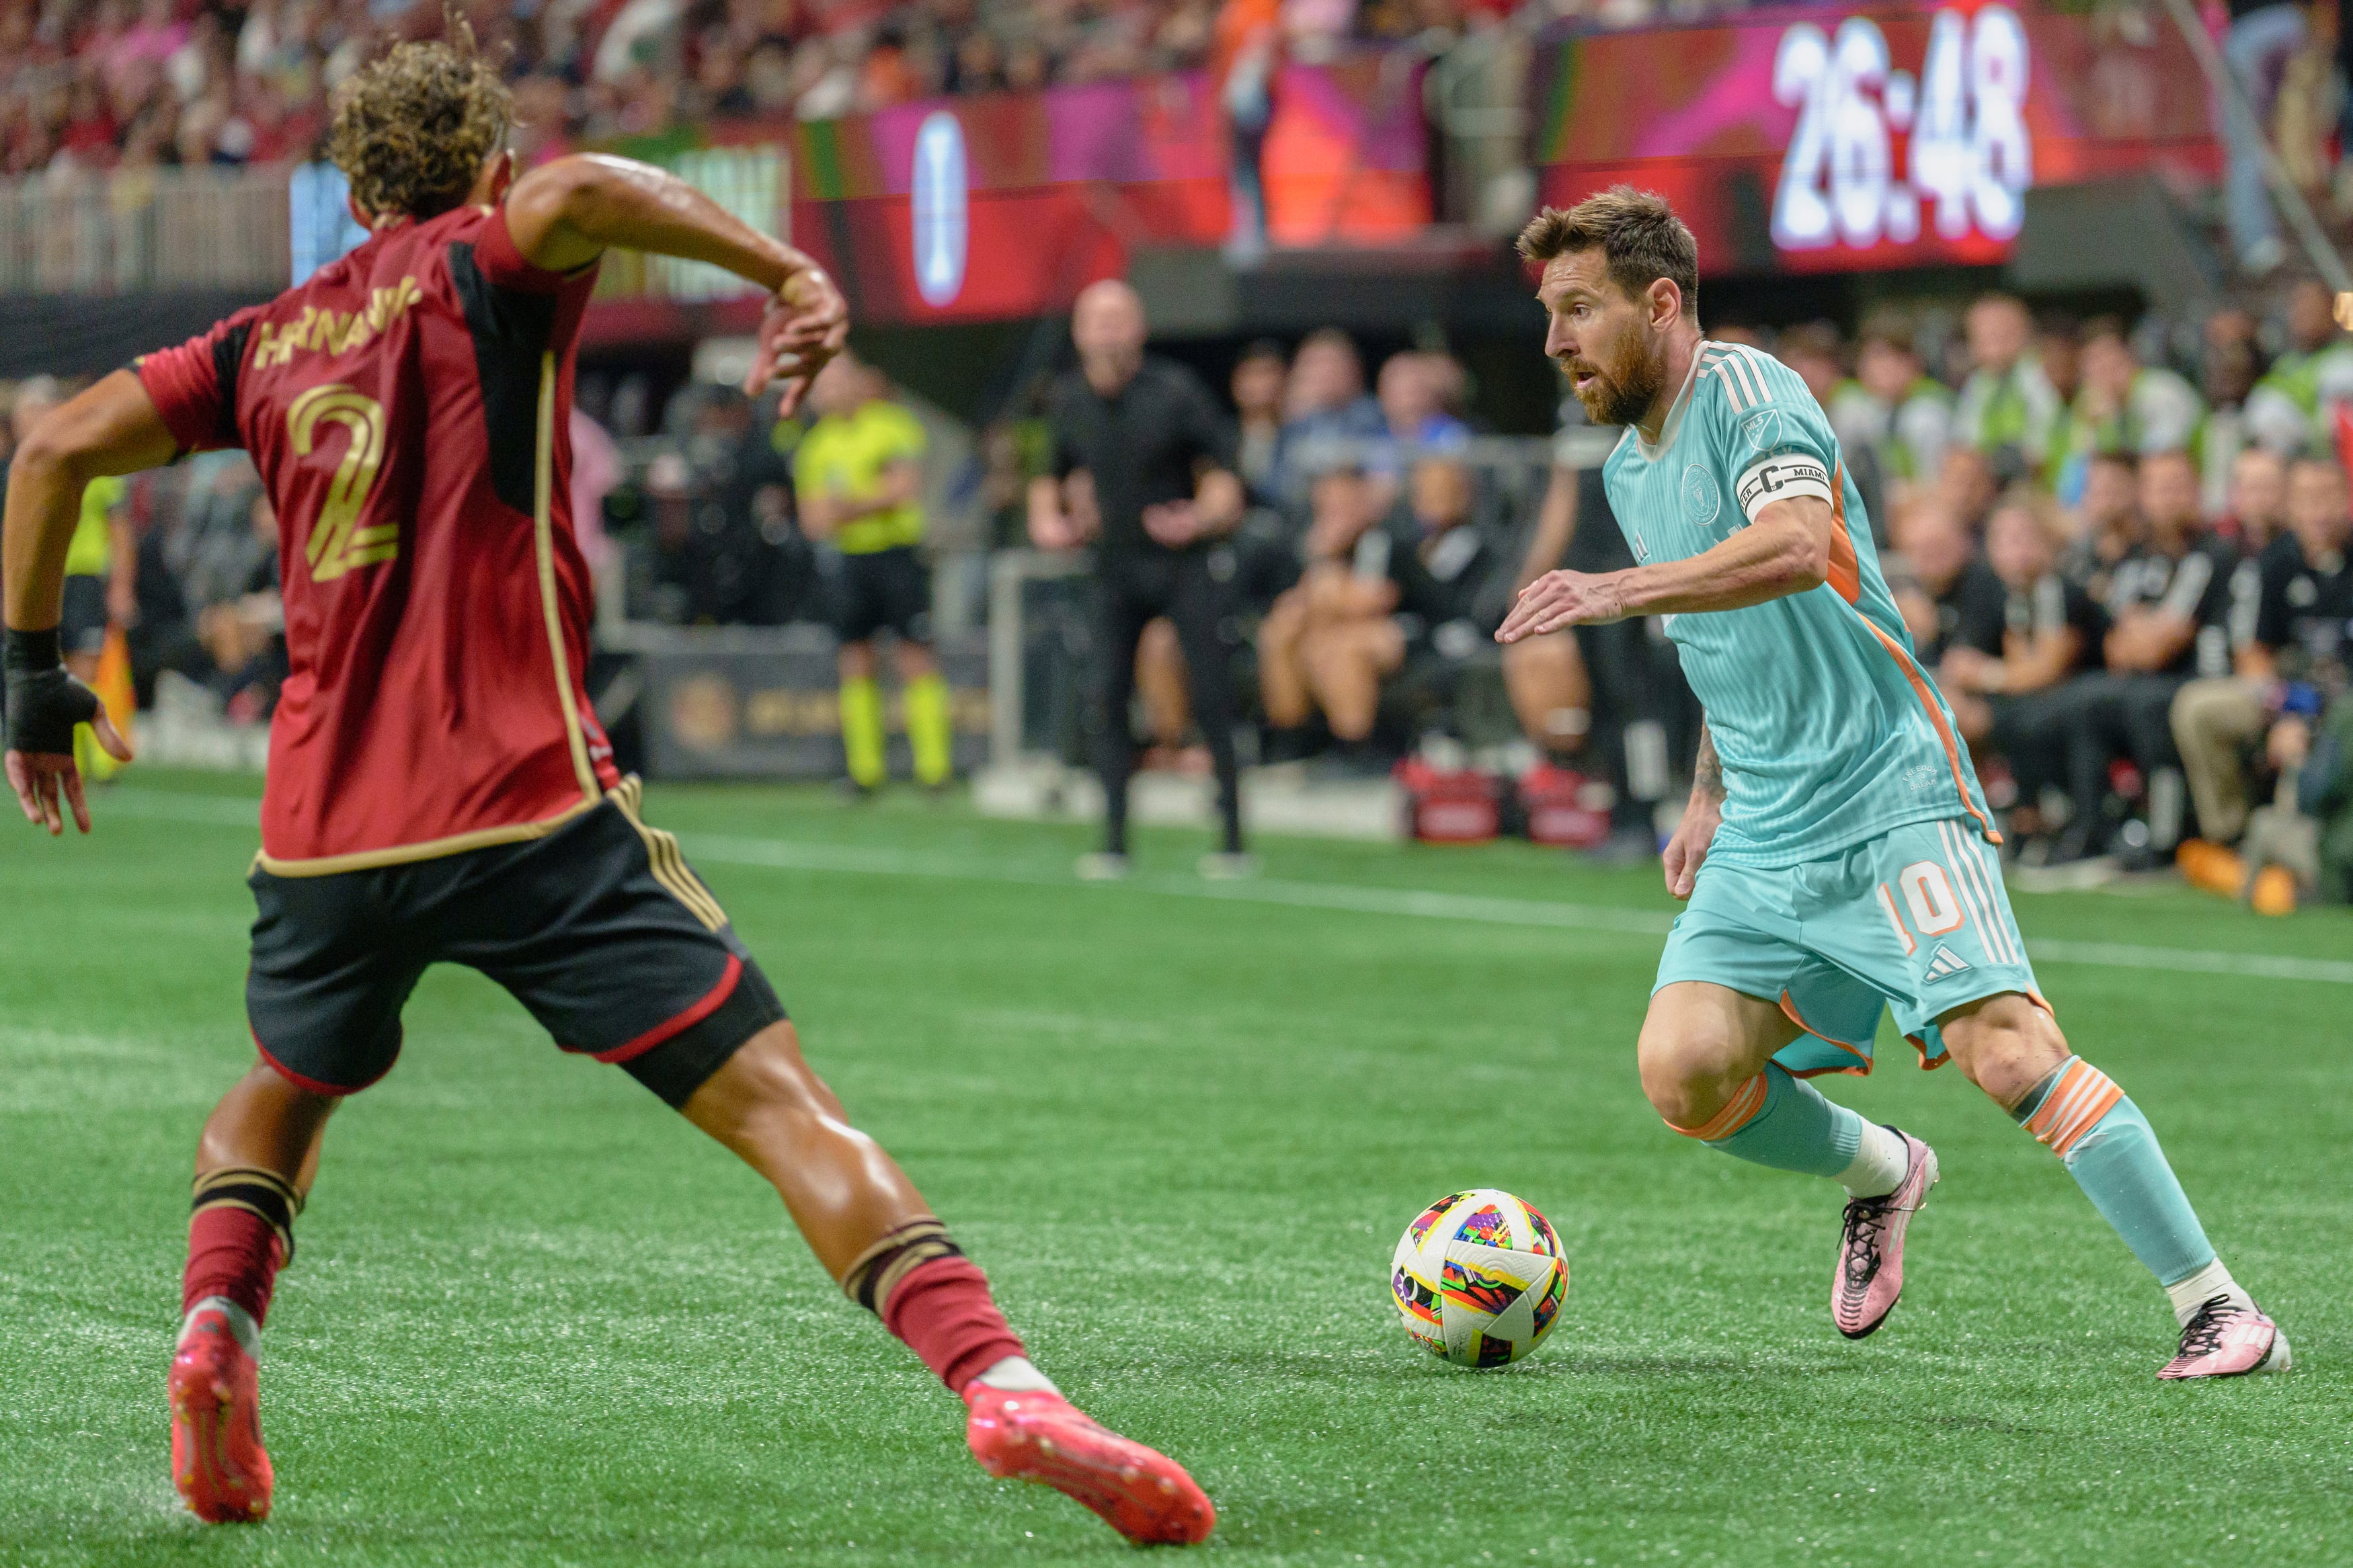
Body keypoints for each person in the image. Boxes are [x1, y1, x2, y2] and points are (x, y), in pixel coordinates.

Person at [0, 34, 1212, 1546]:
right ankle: (1003, 1377)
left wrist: (32, 675)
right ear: (490, 170)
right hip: (525, 799)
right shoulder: (490, 261)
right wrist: (783, 269)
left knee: (284, 1082)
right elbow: (586, 186)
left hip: (322, 828)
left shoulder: (262, 341)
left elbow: (50, 446)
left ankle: (216, 1333)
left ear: (356, 185)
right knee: (779, 1099)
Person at [1497, 186, 2285, 1378]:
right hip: (1764, 820)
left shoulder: (1749, 392)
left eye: (1579, 310)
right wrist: (1709, 791)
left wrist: (1612, 589)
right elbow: (1726, 645)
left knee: (2010, 1051)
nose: (1556, 340)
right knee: (1684, 1070)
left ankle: (2222, 1305)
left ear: (1662, 302)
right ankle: (1885, 1169)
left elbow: (1795, 545)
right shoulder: (1625, 470)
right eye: (1550, 314)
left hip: (1887, 791)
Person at [1029, 279, 1250, 878]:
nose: (1107, 332)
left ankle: (1233, 835)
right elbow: (1051, 475)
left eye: (1118, 319)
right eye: (1096, 320)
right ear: (1079, 333)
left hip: (1180, 562)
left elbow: (1226, 472)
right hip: (1111, 565)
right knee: (1106, 696)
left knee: (1210, 689)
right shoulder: (1069, 400)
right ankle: (1114, 839)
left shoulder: (1176, 392)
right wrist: (1049, 521)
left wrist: (1202, 515)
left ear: (1139, 329)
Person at [2172, 452, 2353, 854]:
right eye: (2308, 498)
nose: (2320, 510)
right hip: (2289, 695)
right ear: (2290, 505)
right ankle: (2231, 836)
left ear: (2347, 501)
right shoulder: (2274, 564)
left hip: (2345, 708)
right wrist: (2287, 712)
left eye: (2330, 497)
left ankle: (2308, 850)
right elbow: (2254, 654)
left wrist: (2315, 719)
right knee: (2197, 708)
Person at [793, 352, 955, 793]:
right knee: (856, 660)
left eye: (839, 381)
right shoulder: (815, 446)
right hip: (850, 561)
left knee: (916, 656)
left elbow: (902, 490)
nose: (832, 392)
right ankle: (865, 773)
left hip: (898, 555)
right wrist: (868, 501)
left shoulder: (892, 426)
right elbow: (813, 520)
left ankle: (934, 769)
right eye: (824, 385)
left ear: (861, 382)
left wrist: (847, 506)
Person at [1953, 293, 2062, 472]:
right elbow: (1967, 435)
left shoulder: (2038, 373)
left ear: (2025, 335)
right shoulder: (1978, 383)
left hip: (2037, 474)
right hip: (1992, 474)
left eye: (2002, 335)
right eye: (1985, 338)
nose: (1994, 346)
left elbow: (2047, 425)